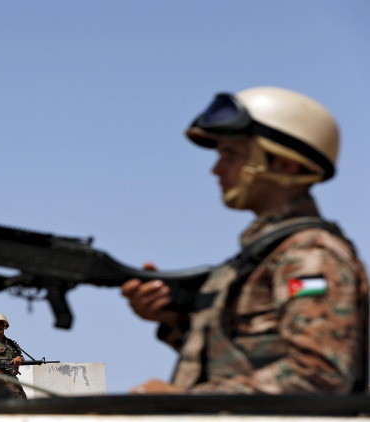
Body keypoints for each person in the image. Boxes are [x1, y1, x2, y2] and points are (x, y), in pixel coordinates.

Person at [122, 87, 369, 394]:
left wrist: (183, 402)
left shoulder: (309, 255)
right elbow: (238, 364)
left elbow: (319, 376)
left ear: (285, 164)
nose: (216, 169)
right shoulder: (264, 256)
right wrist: (174, 321)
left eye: (231, 154)